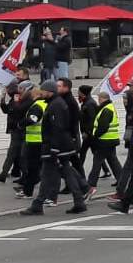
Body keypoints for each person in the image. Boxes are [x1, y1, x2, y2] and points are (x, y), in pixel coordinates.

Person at [26, 79, 88, 215]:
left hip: (55, 146)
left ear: (49, 91)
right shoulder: (56, 103)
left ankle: (38, 204)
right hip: (61, 145)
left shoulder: (56, 105)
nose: (41, 93)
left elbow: (57, 128)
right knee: (64, 171)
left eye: (43, 90)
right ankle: (80, 198)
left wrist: (54, 148)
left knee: (47, 174)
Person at [86, 84, 124, 195]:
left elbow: (103, 127)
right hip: (111, 139)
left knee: (97, 162)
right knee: (113, 161)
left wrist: (95, 136)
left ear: (102, 99)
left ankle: (91, 184)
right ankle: (122, 180)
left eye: (99, 99)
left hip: (104, 140)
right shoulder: (110, 108)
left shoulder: (106, 110)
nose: (98, 101)